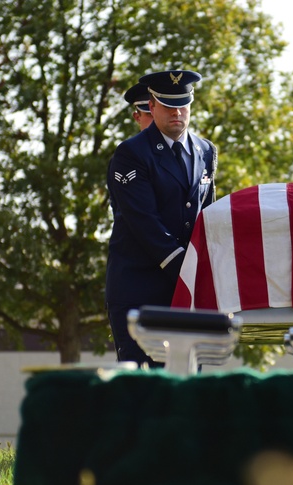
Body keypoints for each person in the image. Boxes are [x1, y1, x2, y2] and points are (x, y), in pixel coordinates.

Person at [105, 69, 218, 365]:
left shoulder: (205, 151)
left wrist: (208, 267)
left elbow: (208, 215)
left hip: (189, 288)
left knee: (187, 382)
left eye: (183, 104)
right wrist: (185, 264)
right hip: (141, 287)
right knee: (145, 387)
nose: (177, 112)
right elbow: (143, 221)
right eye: (168, 105)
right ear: (152, 106)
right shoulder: (131, 153)